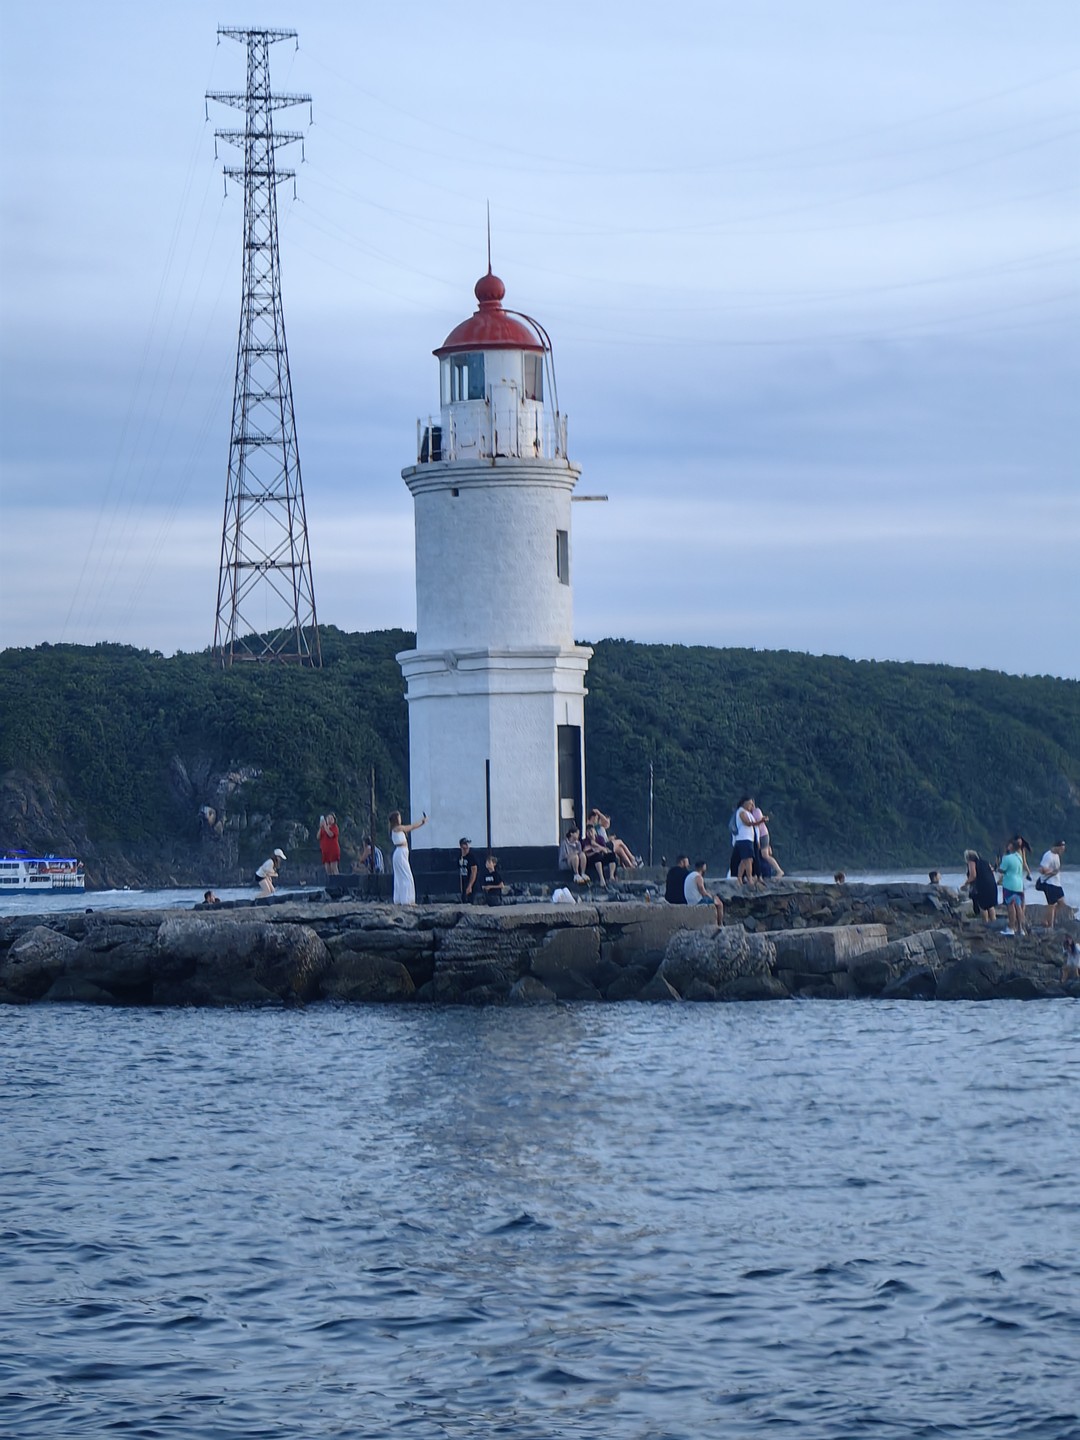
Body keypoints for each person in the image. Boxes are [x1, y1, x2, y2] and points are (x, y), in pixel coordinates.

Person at [389, 810, 427, 905]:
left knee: (400, 877)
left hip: (401, 853)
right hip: (400, 853)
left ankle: (399, 899)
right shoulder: (397, 828)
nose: (400, 818)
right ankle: (407, 900)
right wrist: (421, 822)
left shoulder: (396, 829)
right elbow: (411, 827)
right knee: (406, 876)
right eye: (399, 817)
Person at [997, 841, 1026, 936]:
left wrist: (997, 866)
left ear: (1011, 847)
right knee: (1018, 906)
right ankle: (1020, 929)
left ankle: (1011, 928)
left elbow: (1001, 869)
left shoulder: (1007, 858)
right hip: (1019, 884)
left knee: (1011, 905)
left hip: (1009, 884)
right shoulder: (1019, 857)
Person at [1036, 840, 1067, 928]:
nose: (1062, 851)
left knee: (1062, 903)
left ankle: (1046, 919)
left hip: (1057, 883)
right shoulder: (1048, 856)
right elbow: (1042, 870)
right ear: (1057, 847)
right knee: (1051, 904)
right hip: (1049, 883)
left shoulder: (1057, 855)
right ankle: (1050, 924)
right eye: (1061, 849)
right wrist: (1052, 872)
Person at [962, 850, 998, 923]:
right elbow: (992, 870)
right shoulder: (985, 862)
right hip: (992, 885)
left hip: (982, 886)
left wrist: (965, 884)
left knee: (983, 906)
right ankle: (994, 923)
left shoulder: (971, 863)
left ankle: (985, 923)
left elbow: (973, 875)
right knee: (990, 906)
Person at [684, 860, 724, 925]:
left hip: (690, 901)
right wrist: (712, 896)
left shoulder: (690, 875)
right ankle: (720, 923)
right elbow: (702, 891)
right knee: (719, 904)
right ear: (703, 867)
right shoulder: (698, 877)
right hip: (697, 901)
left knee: (714, 900)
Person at [752, 804, 784, 878]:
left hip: (762, 835)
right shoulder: (749, 813)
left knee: (765, 855)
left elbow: (759, 824)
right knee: (759, 856)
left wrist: (759, 840)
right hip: (759, 836)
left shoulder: (756, 811)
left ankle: (779, 870)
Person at [733, 797, 759, 885]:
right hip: (744, 838)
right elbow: (747, 823)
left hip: (748, 838)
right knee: (748, 859)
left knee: (746, 860)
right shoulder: (741, 812)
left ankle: (739, 877)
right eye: (750, 803)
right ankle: (749, 878)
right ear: (744, 803)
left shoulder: (748, 813)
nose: (751, 805)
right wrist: (761, 821)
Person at [458, 837, 479, 903]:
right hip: (464, 883)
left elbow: (474, 872)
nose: (467, 846)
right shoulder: (460, 857)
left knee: (471, 901)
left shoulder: (471, 857)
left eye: (468, 844)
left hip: (471, 884)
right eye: (465, 844)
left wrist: (470, 885)